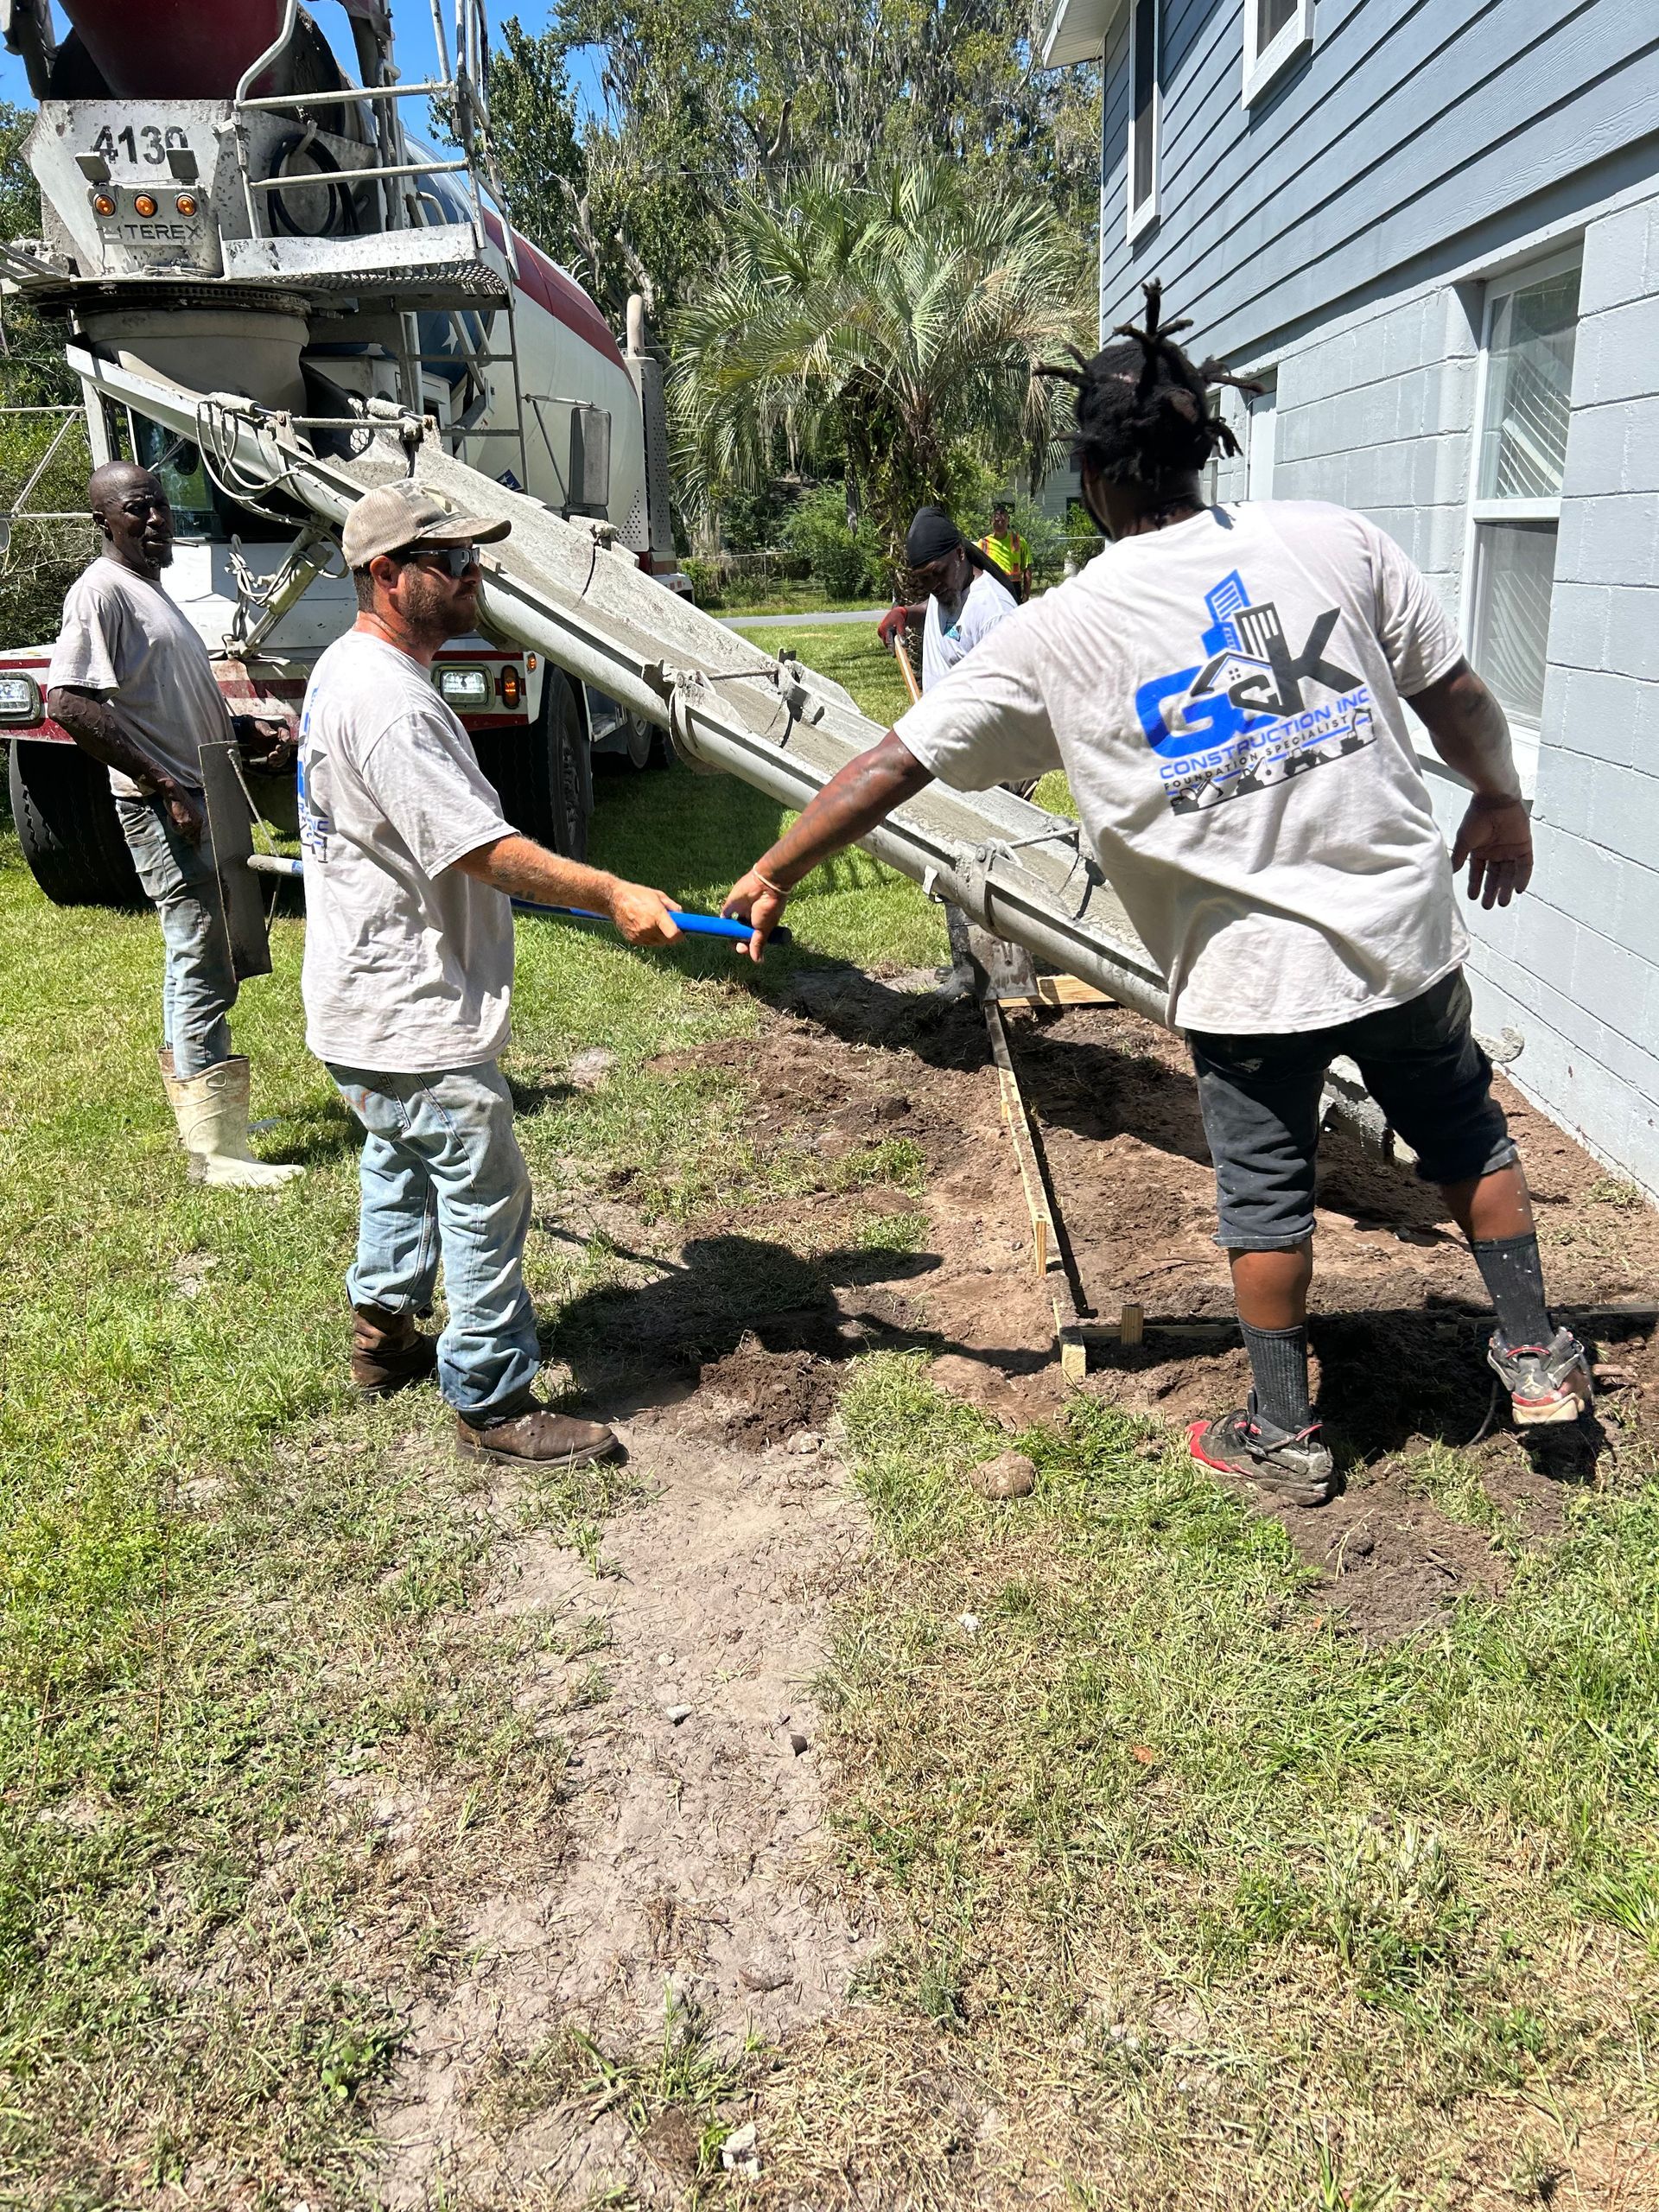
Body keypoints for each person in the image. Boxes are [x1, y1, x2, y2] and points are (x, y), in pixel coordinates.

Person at [724, 282, 1592, 1507]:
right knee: (1463, 1132)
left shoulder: (1059, 631)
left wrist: (770, 871)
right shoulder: (1333, 541)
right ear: (1202, 451)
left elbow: (888, 764)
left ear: (1094, 479)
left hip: (1247, 980)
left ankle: (1286, 1430)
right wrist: (1499, 801)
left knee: (1265, 1192)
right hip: (1401, 932)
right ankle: (1533, 1351)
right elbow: (1455, 699)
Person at [299, 479, 683, 1469]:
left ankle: (381, 1339)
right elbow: (480, 848)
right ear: (388, 574)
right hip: (409, 1008)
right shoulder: (388, 703)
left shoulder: (353, 671)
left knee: (400, 1160)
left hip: (362, 1004)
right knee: (482, 1185)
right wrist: (609, 891)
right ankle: (491, 1397)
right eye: (453, 563)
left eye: (475, 560)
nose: (475, 579)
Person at [48, 462, 303, 1190]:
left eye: (160, 506)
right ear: (104, 521)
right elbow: (68, 702)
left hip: (201, 792)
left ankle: (211, 1124)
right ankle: (216, 1154)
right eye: (137, 510)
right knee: (201, 956)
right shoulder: (99, 593)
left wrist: (244, 730)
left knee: (197, 953)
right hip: (166, 806)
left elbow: (166, 703)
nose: (156, 519)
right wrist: (164, 784)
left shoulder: (149, 591)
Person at [876, 504, 1017, 692]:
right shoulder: (948, 588)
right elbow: (937, 610)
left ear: (960, 553)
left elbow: (1008, 698)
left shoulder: (994, 613)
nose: (933, 585)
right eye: (924, 578)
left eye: (938, 572)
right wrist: (904, 614)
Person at [978, 499, 1033, 602]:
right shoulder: (984, 543)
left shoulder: (1019, 541)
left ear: (1008, 520)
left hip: (1013, 589)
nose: (1000, 524)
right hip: (991, 589)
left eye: (1003, 521)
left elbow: (1027, 570)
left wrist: (1026, 595)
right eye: (997, 521)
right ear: (991, 521)